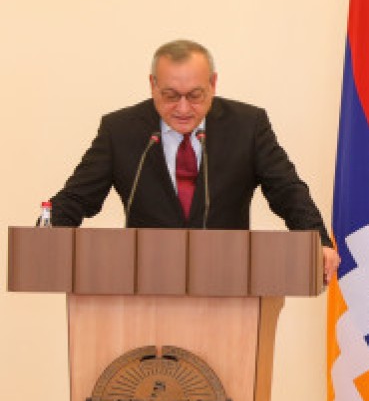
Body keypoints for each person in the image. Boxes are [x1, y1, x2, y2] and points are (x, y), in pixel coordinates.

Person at [49, 39, 340, 283]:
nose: (183, 108)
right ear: (152, 85)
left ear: (213, 83)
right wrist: (47, 233)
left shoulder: (247, 126)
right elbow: (77, 197)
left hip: (229, 283)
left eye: (195, 95)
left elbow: (287, 190)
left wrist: (317, 241)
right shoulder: (121, 130)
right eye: (170, 96)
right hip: (144, 286)